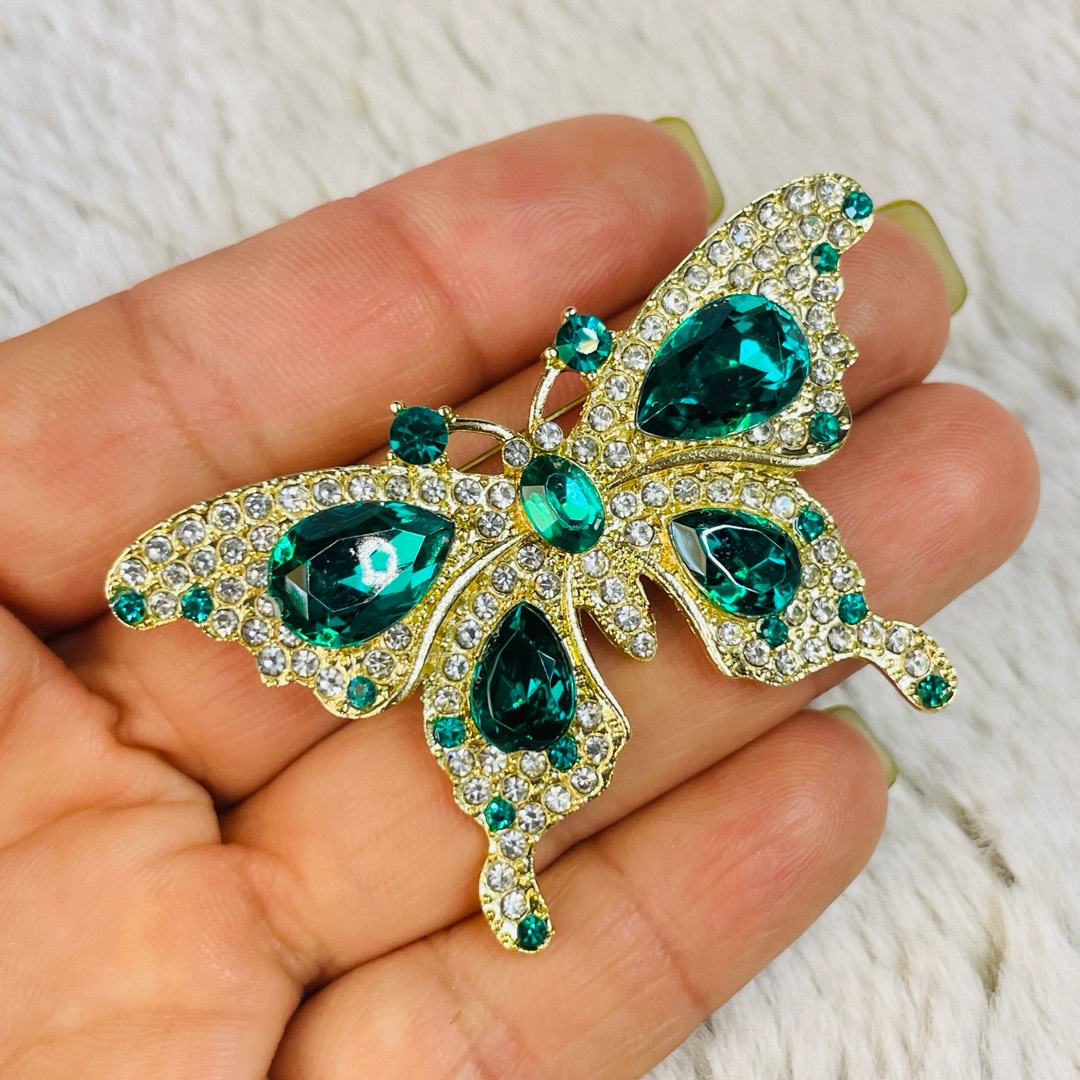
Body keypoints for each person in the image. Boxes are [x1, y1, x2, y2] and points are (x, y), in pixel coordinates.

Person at [0, 115, 1037, 1078]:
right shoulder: (447, 507)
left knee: (762, 575)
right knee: (527, 716)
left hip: (610, 523)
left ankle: (868, 635)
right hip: (570, 556)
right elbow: (284, 571)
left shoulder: (456, 499)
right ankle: (514, 850)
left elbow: (758, 318)